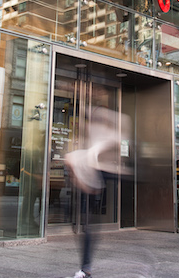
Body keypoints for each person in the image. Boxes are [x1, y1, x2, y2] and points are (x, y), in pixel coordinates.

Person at [64, 107, 128, 278]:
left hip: (98, 173)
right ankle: (86, 268)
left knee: (89, 226)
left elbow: (118, 136)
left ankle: (85, 268)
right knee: (88, 226)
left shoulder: (106, 134)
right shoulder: (92, 135)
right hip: (92, 175)